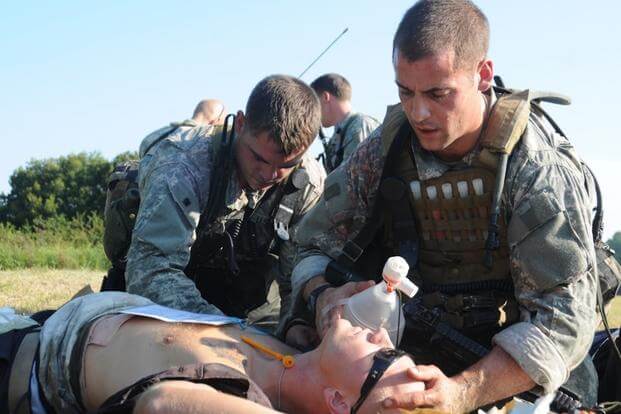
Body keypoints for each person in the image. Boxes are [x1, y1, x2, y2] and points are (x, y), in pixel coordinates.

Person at [281, 1, 600, 412]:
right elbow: (308, 246)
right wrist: (322, 297)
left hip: (523, 379)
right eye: (405, 92)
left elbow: (563, 319)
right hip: (414, 353)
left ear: (482, 75)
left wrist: (464, 392)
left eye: (438, 93)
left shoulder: (533, 168)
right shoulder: (383, 151)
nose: (419, 112)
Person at [122, 75, 326, 329]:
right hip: (169, 309)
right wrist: (225, 330)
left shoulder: (307, 182)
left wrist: (295, 324)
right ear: (240, 124)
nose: (269, 175)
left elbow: (298, 271)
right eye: (259, 159)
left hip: (250, 307)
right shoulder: (182, 167)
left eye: (286, 165)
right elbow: (150, 271)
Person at [0, 291, 422, 413]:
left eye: (383, 359)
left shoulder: (249, 402)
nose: (381, 337)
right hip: (40, 324)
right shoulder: (295, 343)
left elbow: (162, 404)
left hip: (20, 366)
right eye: (393, 345)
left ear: (338, 401)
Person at [310, 73, 379, 173]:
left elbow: (357, 179)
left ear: (325, 97)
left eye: (314, 104)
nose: (313, 112)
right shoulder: (339, 135)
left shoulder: (359, 127)